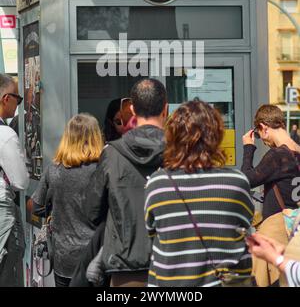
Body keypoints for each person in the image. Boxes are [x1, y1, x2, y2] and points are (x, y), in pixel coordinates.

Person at [145, 100, 254, 288]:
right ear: (216, 135)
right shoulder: (236, 182)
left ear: (173, 137)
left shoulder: (158, 184)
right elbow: (245, 225)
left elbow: (154, 233)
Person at [86, 78, 168, 287]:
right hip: (173, 263)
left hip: (125, 265)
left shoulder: (112, 154)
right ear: (165, 109)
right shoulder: (182, 152)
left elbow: (92, 211)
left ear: (131, 109)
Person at [31, 113, 104, 287]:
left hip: (65, 259)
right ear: (96, 137)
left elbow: (36, 207)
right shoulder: (103, 170)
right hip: (97, 257)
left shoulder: (54, 170)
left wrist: (56, 208)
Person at [241, 104, 300, 286]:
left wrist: (248, 148)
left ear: (263, 128)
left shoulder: (277, 155)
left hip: (276, 234)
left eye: (259, 135)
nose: (262, 140)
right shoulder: (297, 150)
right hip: (294, 232)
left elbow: (245, 179)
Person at [0, 74, 29, 287]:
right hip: (3, 213)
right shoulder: (6, 134)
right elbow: (20, 181)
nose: (18, 105)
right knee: (9, 272)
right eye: (17, 99)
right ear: (5, 98)